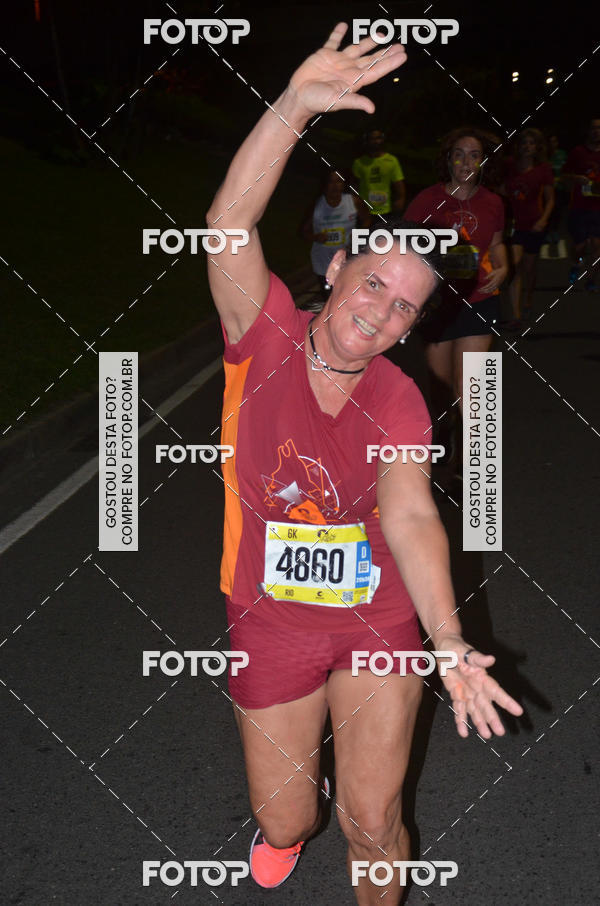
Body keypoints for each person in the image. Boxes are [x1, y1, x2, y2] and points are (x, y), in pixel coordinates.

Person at [206, 24, 522, 905]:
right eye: (374, 284)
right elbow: (228, 224)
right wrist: (293, 107)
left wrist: (448, 639)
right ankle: (284, 828)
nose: (381, 314)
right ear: (339, 266)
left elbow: (412, 512)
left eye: (405, 309)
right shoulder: (261, 335)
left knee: (373, 820)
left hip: (377, 617)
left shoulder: (398, 398)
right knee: (287, 821)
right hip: (270, 616)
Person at [405, 127, 508, 473]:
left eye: (474, 155)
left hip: (480, 300)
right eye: (459, 154)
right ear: (448, 160)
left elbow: (496, 244)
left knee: (472, 390)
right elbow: (406, 246)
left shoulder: (493, 202)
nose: (466, 162)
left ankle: (470, 463)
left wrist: (503, 267)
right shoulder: (426, 200)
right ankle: (445, 431)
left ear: (483, 162)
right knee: (441, 389)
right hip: (437, 306)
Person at [504, 128, 554, 327]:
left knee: (529, 267)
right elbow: (501, 188)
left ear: (537, 147)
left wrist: (543, 220)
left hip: (534, 225)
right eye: (524, 143)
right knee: (514, 265)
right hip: (514, 225)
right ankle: (515, 316)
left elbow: (550, 199)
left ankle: (528, 299)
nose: (527, 147)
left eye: (531, 143)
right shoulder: (509, 165)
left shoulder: (543, 169)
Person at [300, 168, 369, 299]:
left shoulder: (353, 201)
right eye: (331, 182)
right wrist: (315, 237)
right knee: (328, 297)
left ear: (344, 184)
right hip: (323, 262)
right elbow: (303, 232)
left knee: (346, 295)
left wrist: (358, 235)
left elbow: (367, 220)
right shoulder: (317, 205)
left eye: (338, 181)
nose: (335, 186)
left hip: (347, 259)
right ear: (325, 185)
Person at [563, 118, 600, 290]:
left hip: (598, 208)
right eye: (594, 128)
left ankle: (591, 280)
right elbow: (564, 175)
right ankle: (576, 263)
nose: (597, 132)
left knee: (597, 245)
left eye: (599, 128)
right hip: (579, 206)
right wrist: (576, 178)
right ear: (588, 131)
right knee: (580, 246)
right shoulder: (578, 152)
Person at [352, 128, 406, 218]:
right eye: (372, 138)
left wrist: (400, 201)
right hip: (364, 211)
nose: (375, 141)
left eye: (378, 138)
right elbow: (354, 186)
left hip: (385, 211)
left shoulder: (392, 161)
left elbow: (399, 185)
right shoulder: (359, 162)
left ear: (383, 139)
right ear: (367, 141)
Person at [545, 132, 568, 256]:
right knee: (548, 210)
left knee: (558, 211)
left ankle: (555, 231)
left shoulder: (562, 154)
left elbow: (566, 170)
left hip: (560, 188)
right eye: (550, 142)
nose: (552, 144)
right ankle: (548, 232)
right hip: (547, 189)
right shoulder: (544, 155)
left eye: (554, 141)